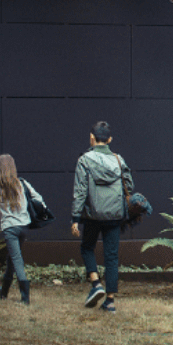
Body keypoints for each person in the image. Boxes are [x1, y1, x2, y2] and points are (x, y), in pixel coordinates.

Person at [71, 121, 133, 312]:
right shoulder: (118, 160)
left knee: (87, 247)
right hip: (114, 214)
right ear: (110, 139)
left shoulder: (84, 160)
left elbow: (80, 191)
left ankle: (96, 284)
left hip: (92, 215)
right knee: (112, 257)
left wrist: (75, 218)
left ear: (91, 137)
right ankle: (110, 301)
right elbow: (129, 186)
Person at [0, 154, 42, 305]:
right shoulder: (22, 184)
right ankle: (3, 292)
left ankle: (25, 298)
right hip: (24, 226)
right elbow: (38, 199)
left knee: (16, 259)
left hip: (10, 228)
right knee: (11, 258)